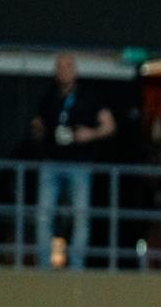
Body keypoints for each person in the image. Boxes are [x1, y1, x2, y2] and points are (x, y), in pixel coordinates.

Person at [31, 53, 116, 269]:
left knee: (80, 217)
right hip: (52, 162)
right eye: (60, 66)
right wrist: (38, 129)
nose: (64, 70)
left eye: (68, 66)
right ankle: (46, 265)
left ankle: (77, 267)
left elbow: (109, 126)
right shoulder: (49, 95)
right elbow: (38, 123)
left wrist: (90, 133)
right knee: (44, 216)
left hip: (79, 164)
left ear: (75, 70)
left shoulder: (90, 95)